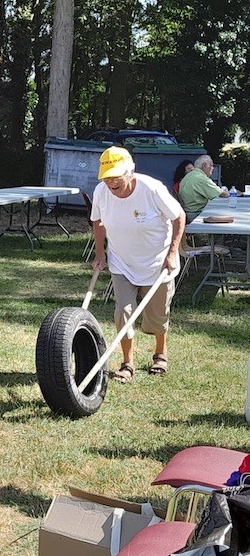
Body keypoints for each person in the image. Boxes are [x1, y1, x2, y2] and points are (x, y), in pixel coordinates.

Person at [91, 146, 185, 382]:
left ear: (130, 171)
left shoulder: (151, 189)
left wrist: (173, 252)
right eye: (107, 177)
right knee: (123, 312)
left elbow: (178, 216)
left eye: (117, 177)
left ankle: (160, 353)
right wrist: (100, 252)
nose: (112, 183)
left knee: (157, 316)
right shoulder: (101, 192)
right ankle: (127, 363)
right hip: (122, 262)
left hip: (157, 262)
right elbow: (98, 221)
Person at [178, 154, 237, 222]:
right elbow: (224, 194)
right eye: (211, 165)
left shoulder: (190, 175)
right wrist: (231, 192)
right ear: (204, 165)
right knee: (228, 215)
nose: (213, 168)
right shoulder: (201, 178)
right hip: (195, 214)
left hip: (187, 212)